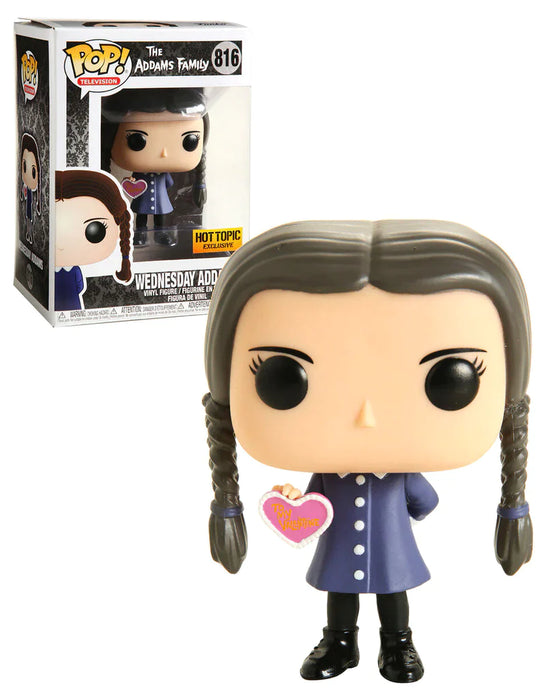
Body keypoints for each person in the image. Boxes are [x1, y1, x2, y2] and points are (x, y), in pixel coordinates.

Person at [202, 219, 532, 683]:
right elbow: (324, 507)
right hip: (341, 550)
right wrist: (294, 505)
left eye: (450, 378)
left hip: (392, 553)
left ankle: (398, 643)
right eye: (282, 378)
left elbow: (424, 501)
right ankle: (340, 642)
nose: (366, 417)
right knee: (340, 594)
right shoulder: (330, 473)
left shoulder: (398, 473)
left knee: (393, 596)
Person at [101, 88, 208, 247]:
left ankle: (161, 234)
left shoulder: (160, 175)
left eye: (189, 140)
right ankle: (140, 235)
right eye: (137, 140)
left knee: (159, 219)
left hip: (160, 202)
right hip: (145, 201)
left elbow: (169, 183)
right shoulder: (140, 173)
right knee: (141, 218)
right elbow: (169, 184)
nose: (164, 153)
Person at [55, 169, 132, 311]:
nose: (60, 244)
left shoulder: (72, 270)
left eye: (95, 231)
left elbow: (80, 286)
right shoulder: (73, 270)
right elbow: (79, 286)